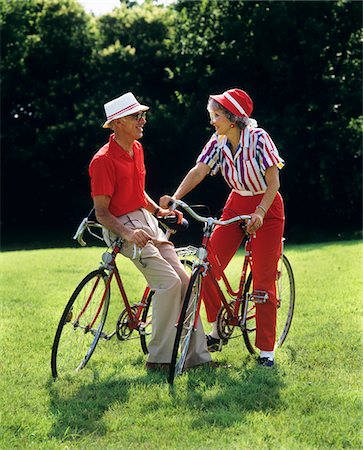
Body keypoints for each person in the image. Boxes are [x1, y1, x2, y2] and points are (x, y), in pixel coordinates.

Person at [160, 88, 285, 367]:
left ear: (232, 118)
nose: (212, 121)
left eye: (216, 115)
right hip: (236, 202)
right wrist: (176, 198)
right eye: (212, 115)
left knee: (263, 284)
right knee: (204, 268)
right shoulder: (217, 141)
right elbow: (200, 170)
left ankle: (266, 352)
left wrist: (261, 212)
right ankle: (218, 326)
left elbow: (274, 182)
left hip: (267, 206)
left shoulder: (259, 139)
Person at [89, 92, 211, 371]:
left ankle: (196, 358)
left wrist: (159, 213)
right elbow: (102, 212)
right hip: (121, 226)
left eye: (143, 115)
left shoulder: (137, 149)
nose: (143, 120)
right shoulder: (103, 161)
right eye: (136, 116)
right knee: (169, 283)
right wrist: (128, 234)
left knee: (186, 281)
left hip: (146, 220)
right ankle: (158, 360)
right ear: (117, 122)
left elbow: (138, 193)